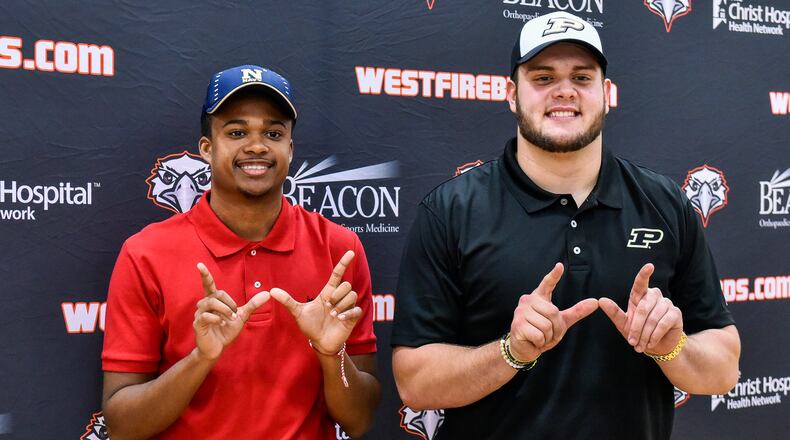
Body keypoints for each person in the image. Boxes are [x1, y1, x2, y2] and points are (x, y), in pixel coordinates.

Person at [391, 11, 740, 440]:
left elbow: (723, 369)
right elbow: (414, 382)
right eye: (542, 78)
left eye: (581, 77)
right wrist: (511, 351)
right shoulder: (451, 211)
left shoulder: (665, 203)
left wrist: (672, 348)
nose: (564, 92)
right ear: (511, 94)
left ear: (606, 93)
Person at [101, 65, 381, 439]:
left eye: (273, 132)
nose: (257, 146)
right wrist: (201, 359)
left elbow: (360, 420)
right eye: (236, 132)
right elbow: (122, 426)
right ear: (206, 147)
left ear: (290, 149)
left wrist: (332, 356)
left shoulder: (340, 248)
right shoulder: (145, 253)